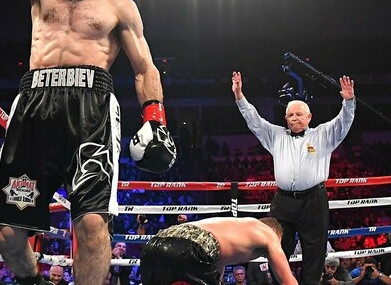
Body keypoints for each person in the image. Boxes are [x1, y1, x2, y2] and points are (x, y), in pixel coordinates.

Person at [0, 0, 176, 285]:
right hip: (34, 106)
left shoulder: (120, 6)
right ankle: (33, 281)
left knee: (91, 225)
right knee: (7, 234)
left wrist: (155, 120)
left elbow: (144, 68)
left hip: (91, 111)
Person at [231, 71, 356, 285]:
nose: (294, 118)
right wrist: (239, 96)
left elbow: (343, 123)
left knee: (314, 253)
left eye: (299, 114)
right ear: (285, 118)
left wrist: (349, 102)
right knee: (276, 246)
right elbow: (254, 120)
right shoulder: (275, 135)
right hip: (284, 201)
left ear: (309, 117)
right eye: (290, 115)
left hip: (314, 200)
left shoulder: (323, 135)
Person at [139, 216, 297, 285]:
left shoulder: (235, 229)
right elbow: (288, 281)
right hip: (191, 245)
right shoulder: (268, 233)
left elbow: (216, 265)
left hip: (155, 243)